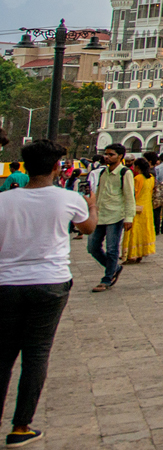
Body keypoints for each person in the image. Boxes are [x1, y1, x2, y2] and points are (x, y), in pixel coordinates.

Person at [0, 139, 95, 447]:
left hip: (6, 284)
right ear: (58, 167)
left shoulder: (4, 200)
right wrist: (91, 207)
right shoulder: (67, 198)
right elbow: (88, 228)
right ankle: (21, 426)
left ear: (24, 167)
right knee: (37, 353)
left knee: (3, 357)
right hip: (50, 283)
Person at [87, 143, 135, 292]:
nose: (107, 157)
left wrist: (129, 217)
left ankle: (107, 278)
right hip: (101, 215)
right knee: (92, 247)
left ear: (120, 157)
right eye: (106, 154)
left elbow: (129, 196)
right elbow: (99, 195)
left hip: (116, 215)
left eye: (111, 154)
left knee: (112, 249)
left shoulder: (125, 173)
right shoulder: (102, 173)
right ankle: (114, 267)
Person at [121, 158, 157, 264]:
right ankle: (141, 252)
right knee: (144, 231)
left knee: (133, 232)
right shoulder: (151, 178)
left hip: (137, 208)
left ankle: (131, 254)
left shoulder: (138, 178)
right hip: (147, 208)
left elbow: (133, 194)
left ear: (137, 167)